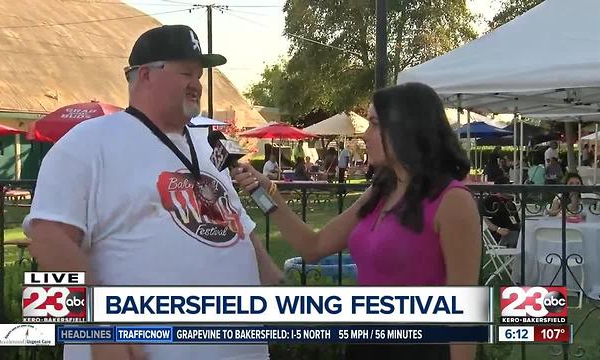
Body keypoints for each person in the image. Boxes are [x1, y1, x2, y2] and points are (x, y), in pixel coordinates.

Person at [24, 25, 281, 360]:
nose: (197, 84)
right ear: (145, 75)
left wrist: (267, 273)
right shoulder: (87, 142)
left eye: (200, 75)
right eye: (186, 72)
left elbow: (233, 220)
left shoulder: (207, 143)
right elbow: (48, 240)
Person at [232, 82, 481, 360]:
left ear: (405, 128)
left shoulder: (453, 202)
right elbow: (313, 246)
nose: (365, 134)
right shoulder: (380, 191)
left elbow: (464, 310)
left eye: (374, 124)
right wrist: (266, 193)